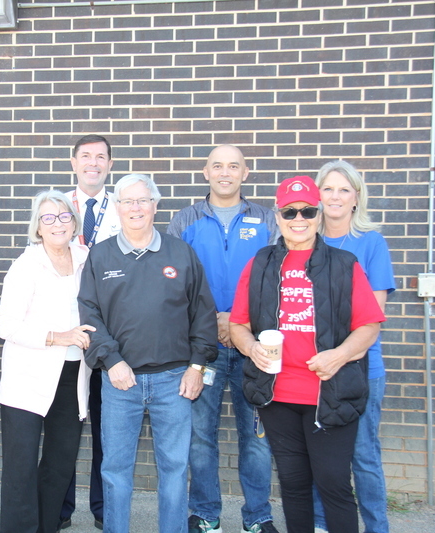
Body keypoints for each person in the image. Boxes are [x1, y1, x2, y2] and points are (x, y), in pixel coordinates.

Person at [229, 176, 386, 533]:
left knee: (333, 485)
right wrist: (251, 348)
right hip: (277, 394)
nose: (298, 218)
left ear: (318, 215)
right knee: (294, 485)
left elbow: (369, 325)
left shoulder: (343, 264)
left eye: (307, 211)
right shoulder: (261, 263)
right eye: (290, 211)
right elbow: (238, 323)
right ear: (277, 215)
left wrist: (340, 355)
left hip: (329, 393)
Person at [79, 174, 218, 533]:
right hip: (119, 381)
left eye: (143, 200)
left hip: (174, 381)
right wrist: (112, 360)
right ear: (119, 208)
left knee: (175, 468)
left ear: (155, 206)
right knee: (115, 469)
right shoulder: (101, 254)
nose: (136, 208)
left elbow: (203, 314)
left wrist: (197, 367)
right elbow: (89, 314)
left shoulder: (180, 253)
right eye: (128, 201)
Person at [167, 145, 280, 533]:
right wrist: (213, 320)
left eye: (234, 166)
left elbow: (278, 280)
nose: (226, 173)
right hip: (203, 348)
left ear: (246, 173)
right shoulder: (185, 220)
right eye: (218, 166)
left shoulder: (268, 219)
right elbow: (173, 282)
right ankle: (205, 514)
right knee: (200, 437)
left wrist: (238, 322)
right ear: (205, 173)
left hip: (255, 349)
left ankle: (258, 517)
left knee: (257, 438)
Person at [0, 190, 94, 533]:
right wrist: (59, 336)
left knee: (60, 463)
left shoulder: (87, 259)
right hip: (29, 375)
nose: (57, 223)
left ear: (74, 222)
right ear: (38, 227)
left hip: (72, 376)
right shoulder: (26, 265)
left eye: (64, 216)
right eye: (48, 218)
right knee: (21, 468)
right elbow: (7, 326)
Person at [312, 160, 395, 533]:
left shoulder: (371, 242)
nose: (335, 197)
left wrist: (340, 353)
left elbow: (374, 315)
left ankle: (377, 527)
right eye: (328, 188)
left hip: (360, 367)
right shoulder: (302, 238)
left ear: (356, 198)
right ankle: (320, 526)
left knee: (362, 456)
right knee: (319, 459)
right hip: (311, 368)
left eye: (344, 189)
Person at [60, 134, 121, 531]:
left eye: (101, 157)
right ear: (74, 162)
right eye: (86, 157)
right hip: (65, 334)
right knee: (65, 426)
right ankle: (60, 509)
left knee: (106, 429)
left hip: (108, 334)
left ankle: (102, 509)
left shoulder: (126, 206)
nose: (93, 163)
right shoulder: (57, 207)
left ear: (109, 164)